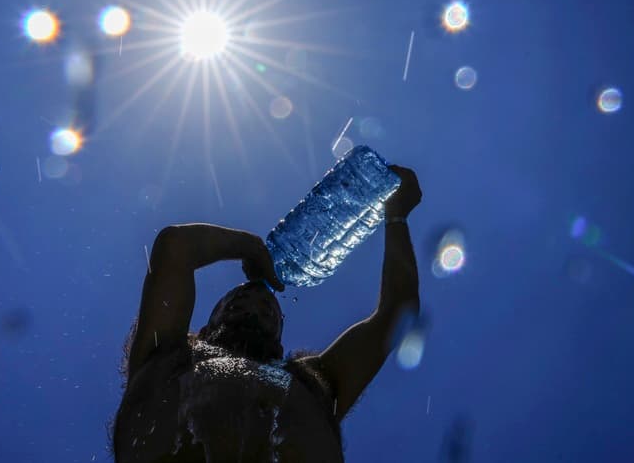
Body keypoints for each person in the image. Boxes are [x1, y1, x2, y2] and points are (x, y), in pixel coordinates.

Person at [109, 165, 422, 462]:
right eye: (238, 302)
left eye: (267, 311)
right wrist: (252, 248)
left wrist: (396, 217)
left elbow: (397, 311)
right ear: (204, 328)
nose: (255, 309)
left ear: (281, 339)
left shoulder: (317, 380)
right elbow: (175, 246)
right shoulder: (163, 353)